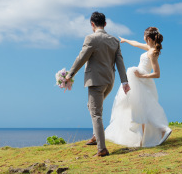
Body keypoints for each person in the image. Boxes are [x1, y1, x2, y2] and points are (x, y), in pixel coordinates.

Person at [64, 12, 129, 157]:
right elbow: (120, 62)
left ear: (92, 24)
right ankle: (95, 136)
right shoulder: (114, 41)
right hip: (109, 82)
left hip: (96, 82)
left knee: (96, 113)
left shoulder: (91, 38)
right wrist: (124, 81)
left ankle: (102, 149)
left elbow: (81, 58)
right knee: (92, 106)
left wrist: (69, 75)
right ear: (105, 24)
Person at [105, 26, 172, 147]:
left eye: (144, 36)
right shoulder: (149, 48)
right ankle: (142, 141)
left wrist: (142, 76)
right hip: (140, 80)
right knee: (140, 111)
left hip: (142, 81)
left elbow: (157, 74)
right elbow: (136, 44)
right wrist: (125, 40)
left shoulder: (152, 53)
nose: (143, 38)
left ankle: (163, 129)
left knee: (144, 109)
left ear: (148, 38)